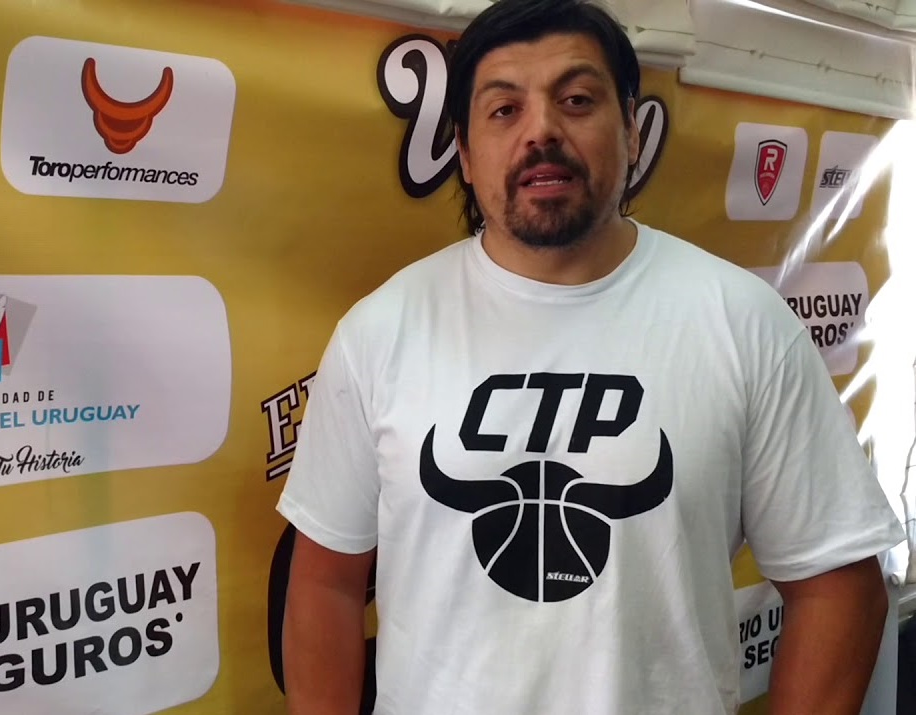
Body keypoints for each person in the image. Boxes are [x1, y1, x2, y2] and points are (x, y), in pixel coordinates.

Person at [275, 0, 907, 712]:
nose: (541, 130)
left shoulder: (743, 322)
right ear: (465, 154)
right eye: (504, 109)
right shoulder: (379, 331)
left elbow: (837, 585)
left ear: (632, 132)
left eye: (576, 100)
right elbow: (325, 584)